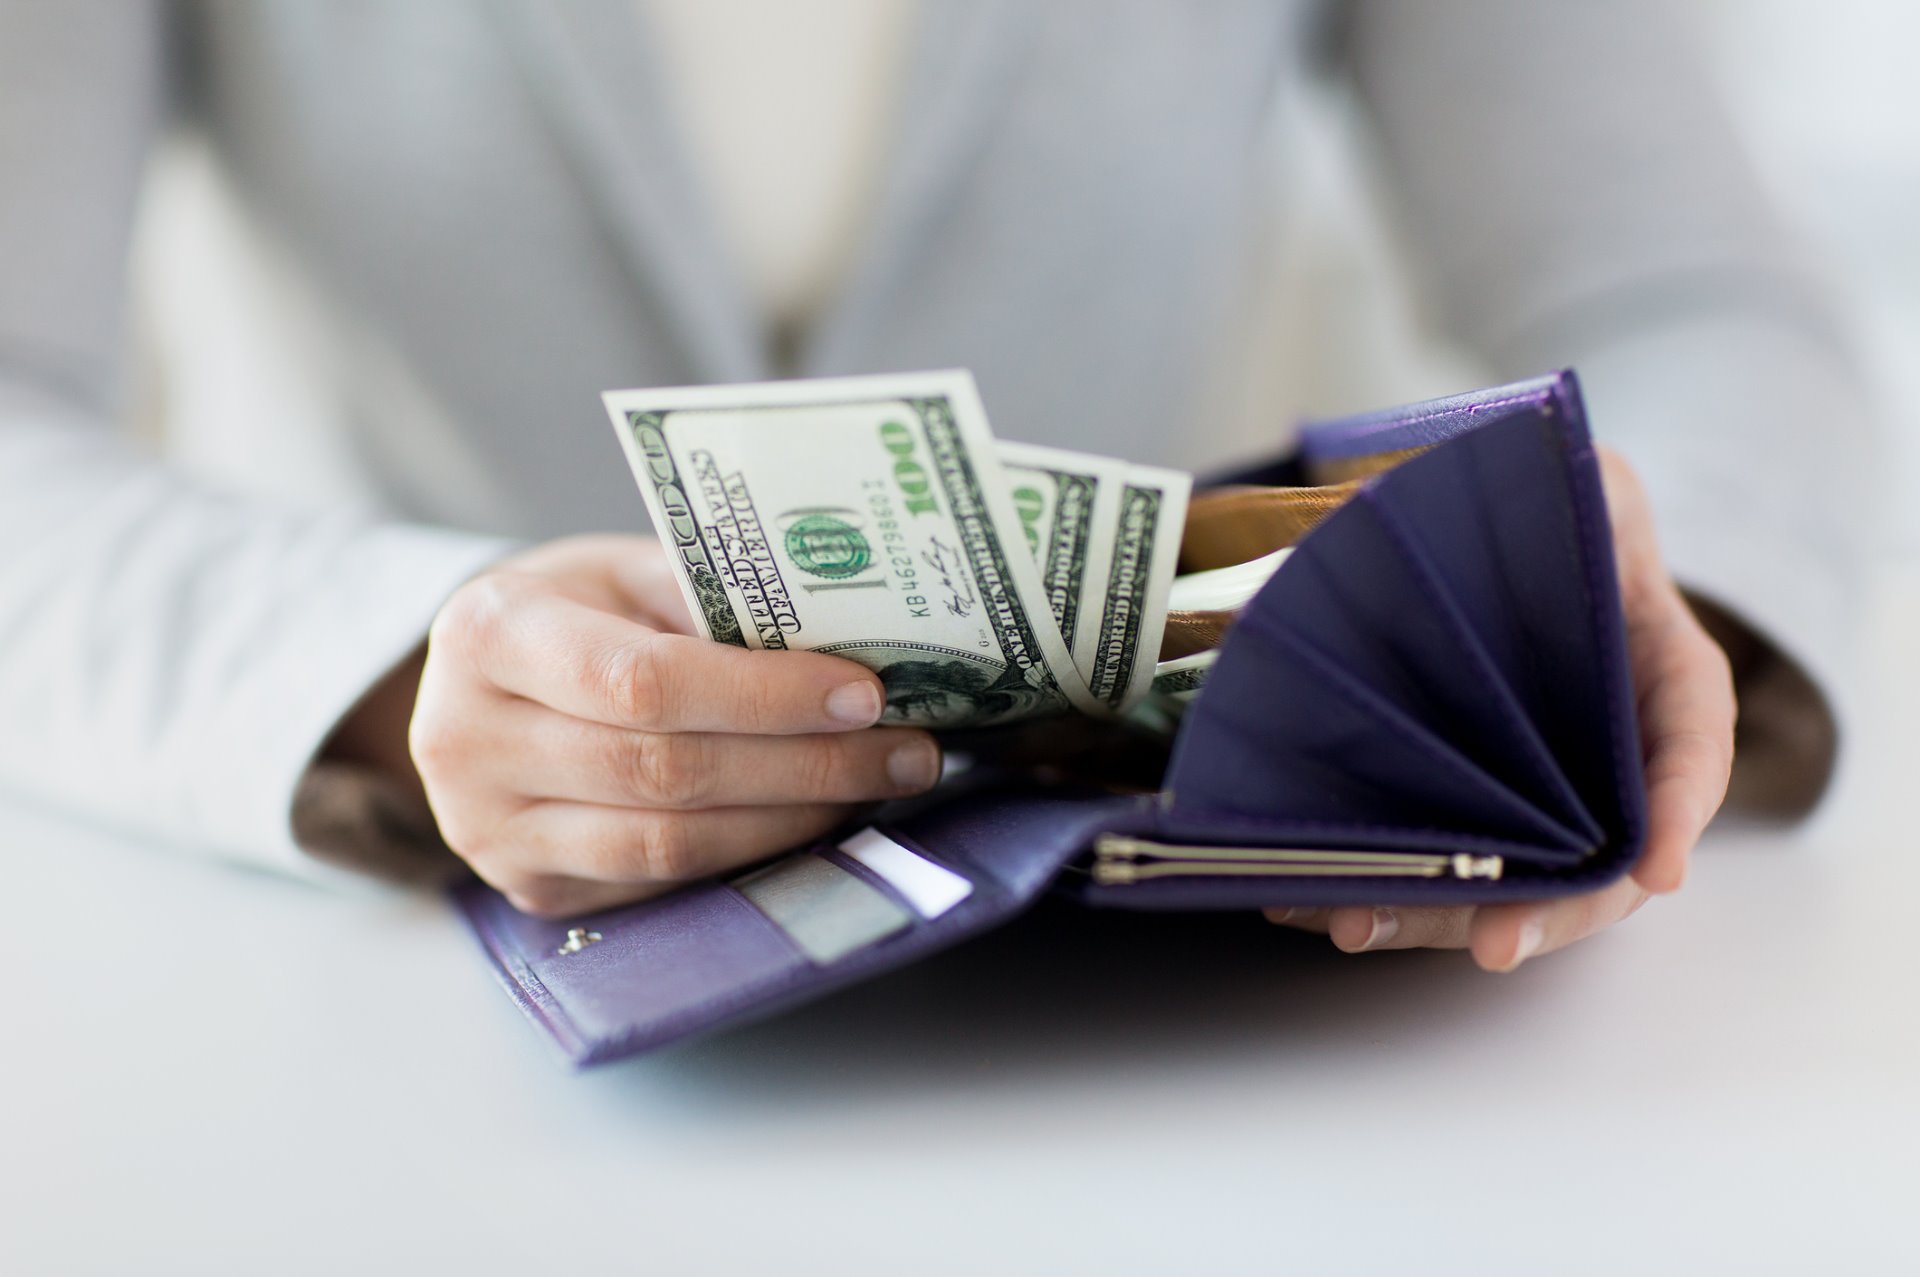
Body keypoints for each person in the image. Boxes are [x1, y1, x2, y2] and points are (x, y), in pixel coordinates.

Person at [0, 1, 1875, 971]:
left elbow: (1688, 294)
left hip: (1177, 1012)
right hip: (362, 1005)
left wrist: (1598, 608)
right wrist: (390, 670)